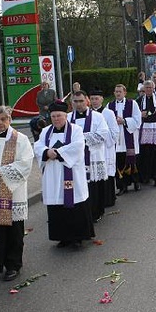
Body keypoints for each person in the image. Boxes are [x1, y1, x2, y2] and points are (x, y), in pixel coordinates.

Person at [0, 106, 34, 282]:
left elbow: (26, 163)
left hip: (13, 192)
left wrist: (2, 172)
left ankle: (13, 265)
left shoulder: (20, 139)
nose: (0, 123)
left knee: (14, 232)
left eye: (4, 119)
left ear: (10, 119)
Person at [34, 101, 94, 248]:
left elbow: (78, 147)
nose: (56, 119)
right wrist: (46, 152)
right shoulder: (46, 131)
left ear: (65, 115)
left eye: (59, 116)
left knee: (74, 206)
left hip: (71, 173)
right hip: (53, 175)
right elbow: (38, 145)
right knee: (57, 206)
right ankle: (62, 237)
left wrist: (58, 153)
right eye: (53, 116)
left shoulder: (76, 130)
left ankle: (77, 237)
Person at [69, 90, 110, 222]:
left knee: (94, 187)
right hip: (76, 160)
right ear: (72, 103)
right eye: (75, 101)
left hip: (93, 157)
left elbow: (102, 134)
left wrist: (79, 139)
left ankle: (95, 212)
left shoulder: (97, 116)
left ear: (87, 101)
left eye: (81, 101)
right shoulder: (68, 118)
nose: (79, 104)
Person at [108, 84, 142, 194]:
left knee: (132, 162)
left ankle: (136, 182)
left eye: (120, 91)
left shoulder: (132, 104)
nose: (118, 93)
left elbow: (137, 120)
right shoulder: (110, 105)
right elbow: (106, 121)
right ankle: (122, 186)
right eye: (116, 91)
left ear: (125, 93)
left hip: (129, 136)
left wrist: (124, 121)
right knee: (119, 163)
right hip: (117, 140)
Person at [90, 89, 120, 208]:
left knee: (107, 173)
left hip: (107, 148)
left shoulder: (108, 113)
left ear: (102, 99)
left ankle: (109, 199)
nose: (94, 101)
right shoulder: (89, 114)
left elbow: (115, 131)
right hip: (95, 149)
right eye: (92, 99)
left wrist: (105, 137)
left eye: (96, 98)